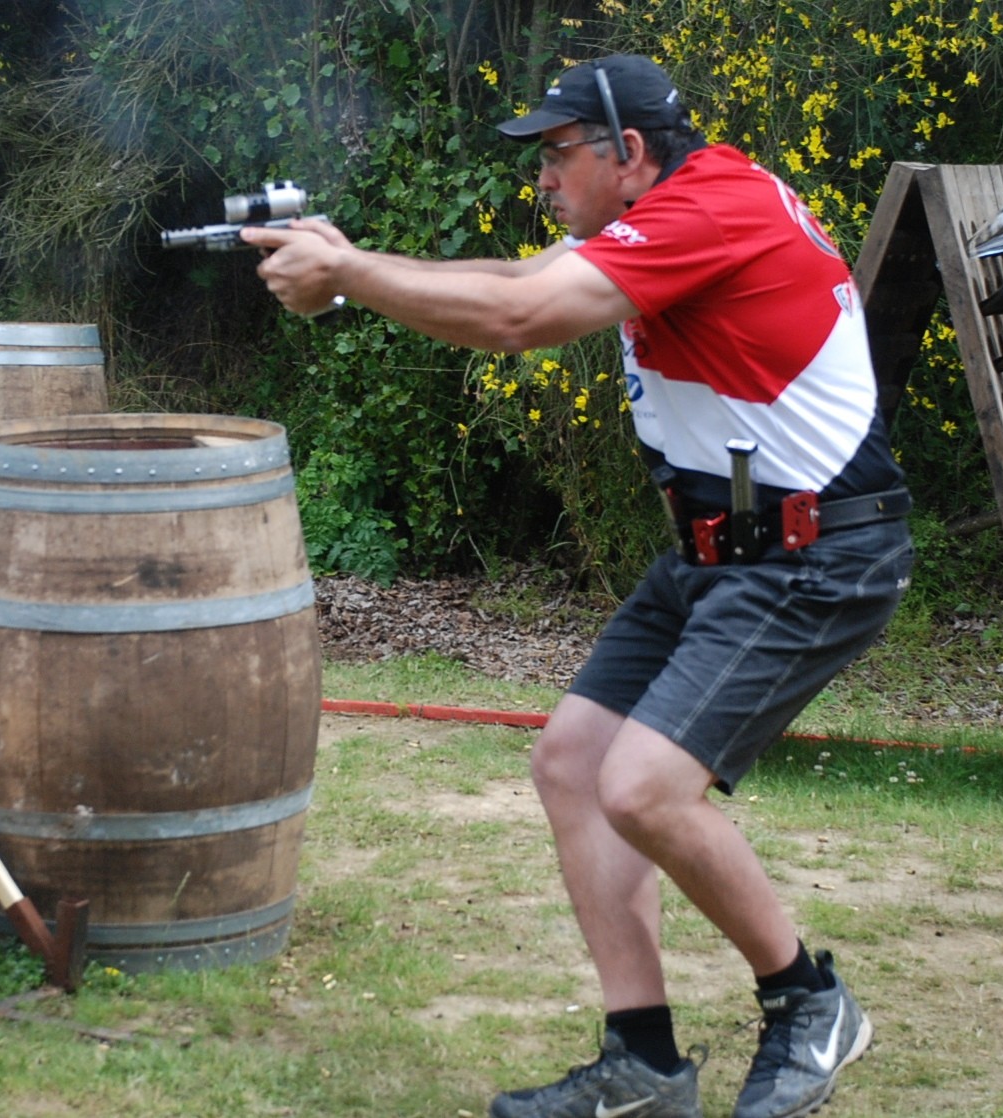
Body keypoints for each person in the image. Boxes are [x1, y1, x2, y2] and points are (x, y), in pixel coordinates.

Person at [244, 54, 914, 1118]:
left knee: (642, 786)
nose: (543, 177)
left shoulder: (715, 206)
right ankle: (643, 1061)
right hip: (722, 546)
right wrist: (351, 255)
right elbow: (519, 279)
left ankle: (808, 1000)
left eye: (557, 154)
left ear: (628, 153)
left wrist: (348, 280)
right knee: (570, 763)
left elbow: (523, 321)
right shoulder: (672, 208)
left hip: (811, 549)